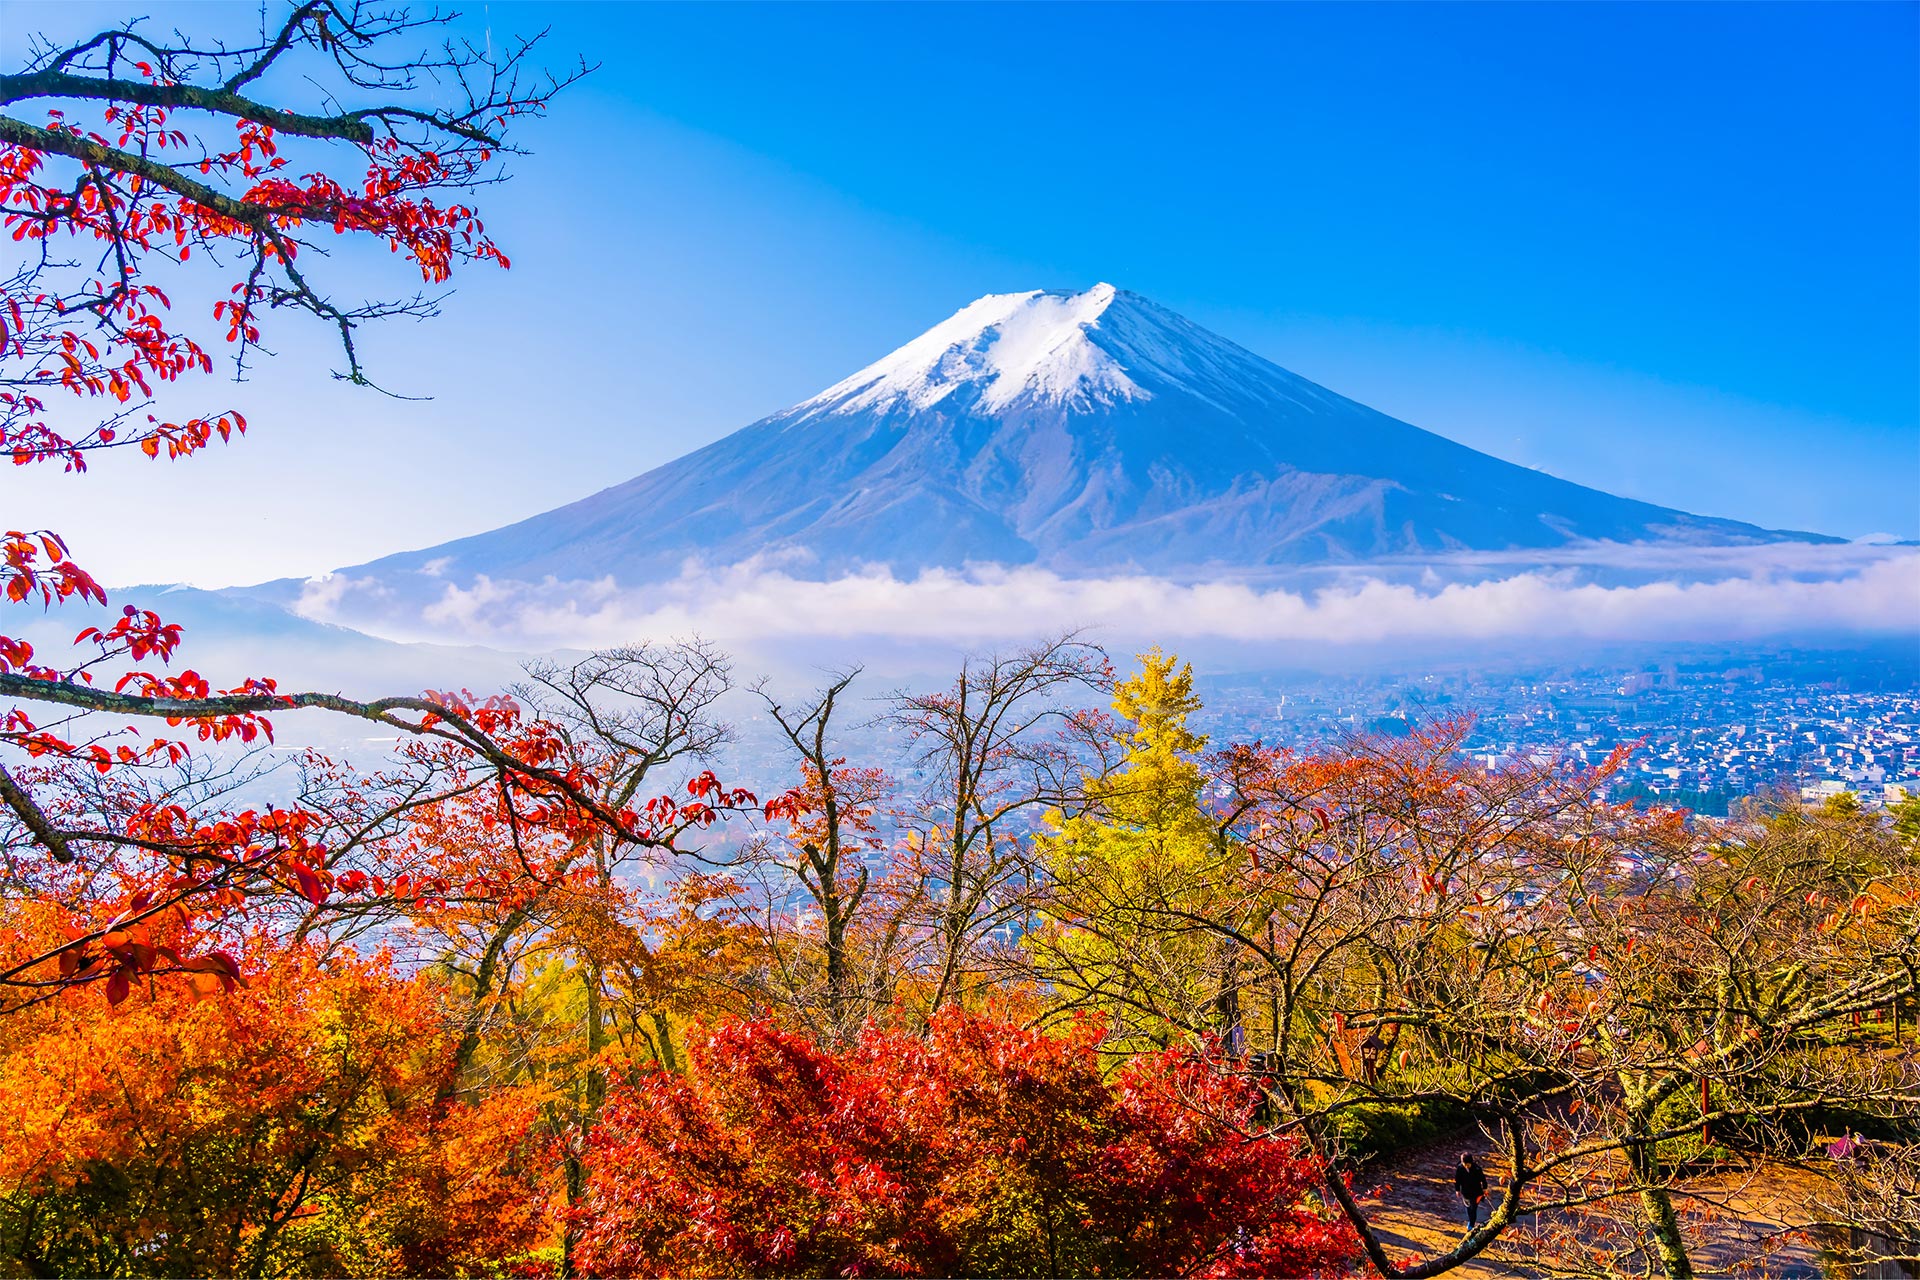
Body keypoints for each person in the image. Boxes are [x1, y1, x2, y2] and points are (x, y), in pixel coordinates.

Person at [1455, 1152, 1489, 1229]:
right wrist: (1457, 1190)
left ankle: (1472, 1223)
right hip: (1465, 1192)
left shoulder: (1477, 1169)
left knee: (1473, 1208)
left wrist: (1485, 1188)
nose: (1466, 1166)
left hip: (1476, 1192)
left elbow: (1483, 1180)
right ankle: (1471, 1220)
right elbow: (1458, 1180)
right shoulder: (1460, 1168)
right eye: (1464, 1164)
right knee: (1468, 1207)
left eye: (1468, 1164)